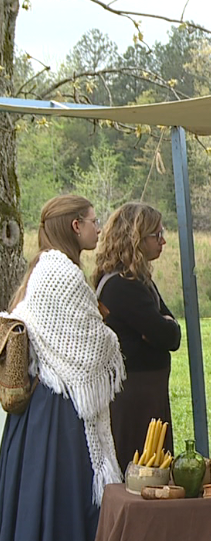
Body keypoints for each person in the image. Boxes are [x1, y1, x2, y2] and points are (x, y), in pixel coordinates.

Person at [0, 195, 125, 541]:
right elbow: (91, 347)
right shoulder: (61, 274)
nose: (99, 229)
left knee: (40, 505)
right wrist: (112, 338)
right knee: (65, 506)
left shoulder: (45, 266)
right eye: (93, 221)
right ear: (75, 226)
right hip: (58, 413)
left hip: (40, 412)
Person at [93, 203, 181, 472]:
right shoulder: (121, 286)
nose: (163, 240)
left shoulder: (138, 281)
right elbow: (166, 333)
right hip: (135, 400)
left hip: (147, 395)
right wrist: (162, 327)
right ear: (136, 240)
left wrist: (163, 327)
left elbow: (172, 332)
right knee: (142, 471)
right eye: (157, 234)